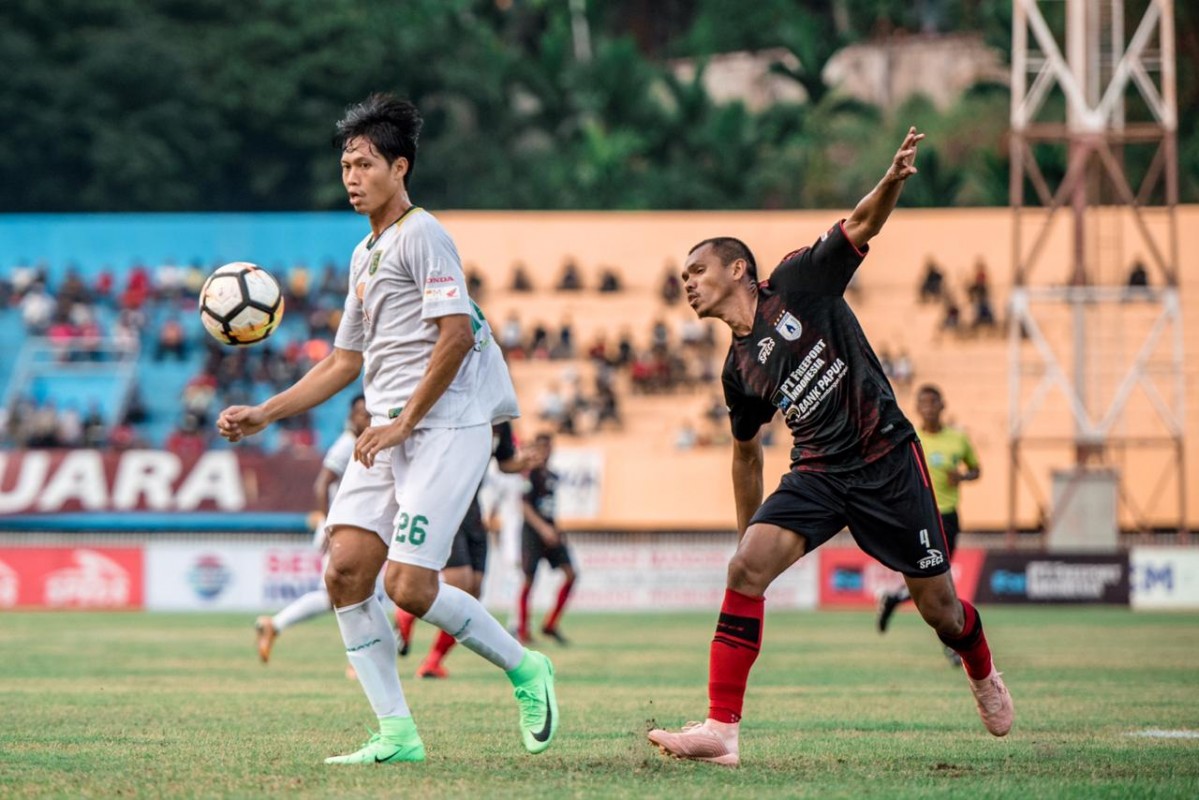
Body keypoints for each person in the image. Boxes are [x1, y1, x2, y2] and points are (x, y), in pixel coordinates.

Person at [646, 128, 1012, 768]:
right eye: (683, 277)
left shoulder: (797, 283)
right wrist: (747, 532)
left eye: (697, 270)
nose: (688, 283)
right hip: (818, 473)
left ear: (738, 268)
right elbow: (746, 453)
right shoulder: (738, 371)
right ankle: (721, 733)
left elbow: (861, 225)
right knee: (745, 572)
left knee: (941, 610)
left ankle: (981, 669)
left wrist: (893, 178)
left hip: (887, 459)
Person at [216, 93, 558, 765]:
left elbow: (456, 337)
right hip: (393, 429)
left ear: (399, 168)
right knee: (345, 569)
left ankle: (526, 669)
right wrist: (264, 413)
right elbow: (345, 361)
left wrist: (403, 420)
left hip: (447, 426)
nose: (351, 176)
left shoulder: (424, 234)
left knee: (407, 586)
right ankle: (397, 735)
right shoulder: (362, 255)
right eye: (345, 163)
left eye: (364, 163)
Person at [397, 421, 526, 678]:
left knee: (474, 592)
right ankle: (404, 618)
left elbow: (505, 462)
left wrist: (524, 463)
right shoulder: (461, 410)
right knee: (459, 584)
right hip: (445, 505)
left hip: (474, 512)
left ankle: (433, 661)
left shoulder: (501, 417)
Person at [255, 395, 372, 666]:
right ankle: (363, 660)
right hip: (342, 529)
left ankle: (275, 625)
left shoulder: (362, 442)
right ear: (350, 418)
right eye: (360, 414)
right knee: (354, 596)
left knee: (339, 597)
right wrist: (327, 524)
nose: (364, 418)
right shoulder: (346, 446)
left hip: (352, 527)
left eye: (368, 413)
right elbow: (322, 485)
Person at [877, 384, 980, 667]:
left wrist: (962, 477)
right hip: (919, 516)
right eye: (922, 403)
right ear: (918, 407)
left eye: (932, 403)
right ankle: (952, 644)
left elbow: (976, 469)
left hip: (947, 517)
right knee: (937, 579)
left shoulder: (958, 440)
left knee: (935, 580)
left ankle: (895, 599)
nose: (928, 408)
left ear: (942, 405)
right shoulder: (910, 436)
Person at [516, 433, 577, 646]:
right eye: (541, 448)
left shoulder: (551, 475)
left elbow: (547, 508)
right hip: (533, 533)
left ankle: (550, 624)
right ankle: (523, 631)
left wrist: (555, 529)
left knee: (571, 574)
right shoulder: (529, 474)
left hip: (550, 531)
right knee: (529, 580)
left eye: (549, 447)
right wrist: (543, 529)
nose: (546, 452)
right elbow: (524, 506)